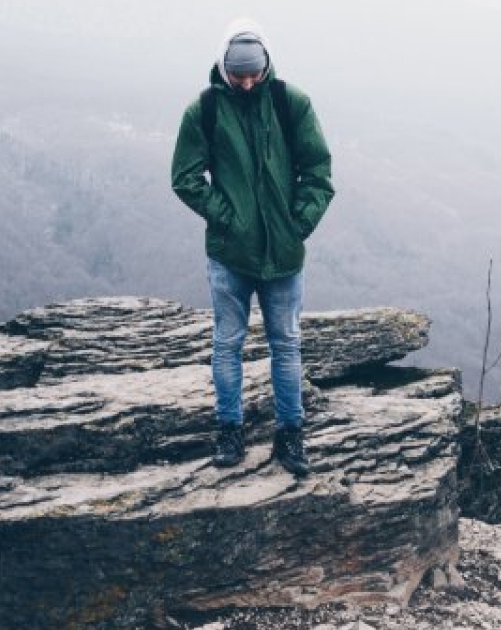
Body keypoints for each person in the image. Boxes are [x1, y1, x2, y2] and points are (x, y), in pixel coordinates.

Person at [171, 18, 335, 476]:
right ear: (223, 66)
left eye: (253, 73)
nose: (246, 82)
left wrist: (296, 224)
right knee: (228, 344)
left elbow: (318, 172)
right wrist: (227, 218)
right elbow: (184, 177)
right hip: (230, 255)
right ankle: (229, 429)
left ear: (266, 64)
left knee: (287, 345)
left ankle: (291, 434)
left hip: (283, 255)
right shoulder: (205, 110)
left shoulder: (289, 102)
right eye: (238, 74)